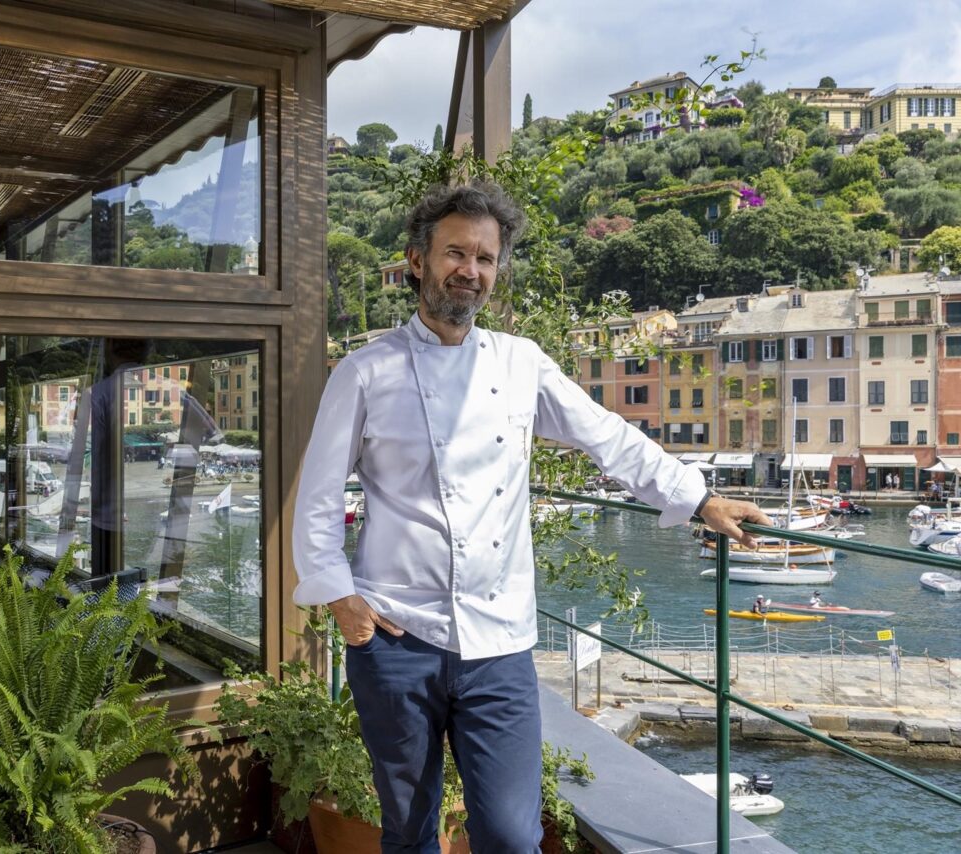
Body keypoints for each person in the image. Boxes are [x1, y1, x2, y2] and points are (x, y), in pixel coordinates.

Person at [291, 182, 769, 853]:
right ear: (416, 262)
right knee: (407, 828)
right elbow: (315, 496)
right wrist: (341, 597)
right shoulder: (365, 373)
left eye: (486, 259)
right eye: (456, 252)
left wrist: (697, 496)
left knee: (513, 836)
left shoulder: (520, 365)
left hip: (500, 644)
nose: (472, 270)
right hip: (398, 639)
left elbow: (608, 437)